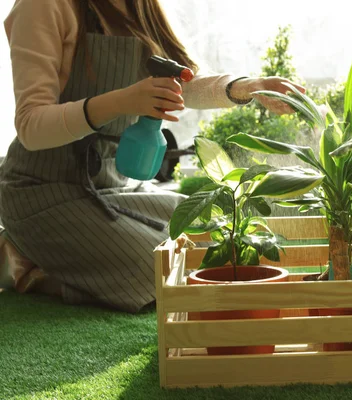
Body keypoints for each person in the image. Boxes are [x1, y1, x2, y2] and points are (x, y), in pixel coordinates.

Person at [0, 0, 304, 312]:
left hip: (114, 185)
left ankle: (71, 263)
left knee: (218, 240)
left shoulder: (141, 6)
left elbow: (183, 83)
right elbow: (31, 126)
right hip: (43, 190)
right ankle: (25, 262)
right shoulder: (42, 6)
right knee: (160, 271)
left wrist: (248, 87)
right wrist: (123, 101)